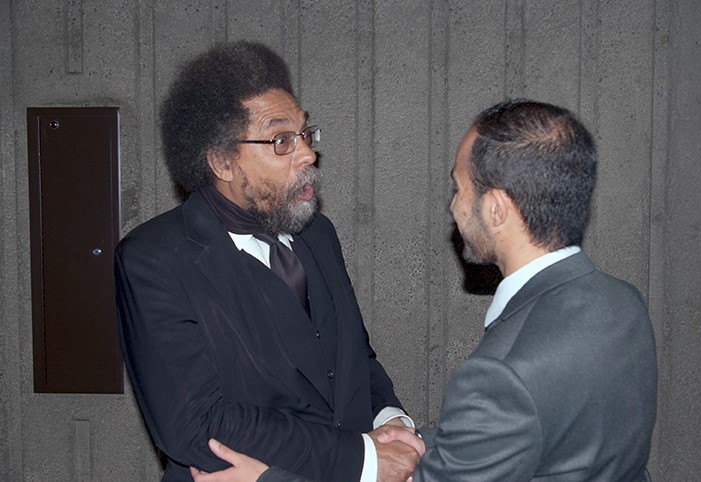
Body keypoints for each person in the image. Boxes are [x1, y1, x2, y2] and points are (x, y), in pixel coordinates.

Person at [191, 99, 658, 482]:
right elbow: (533, 440)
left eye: (459, 189)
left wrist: (267, 480)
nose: (453, 206)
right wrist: (417, 443)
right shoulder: (623, 304)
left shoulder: (501, 376)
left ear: (497, 210)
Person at [114, 40, 420, 482]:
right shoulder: (153, 259)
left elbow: (355, 358)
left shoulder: (318, 233)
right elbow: (196, 426)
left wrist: (391, 419)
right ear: (222, 162)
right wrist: (362, 457)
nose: (307, 154)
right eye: (281, 141)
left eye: (304, 134)